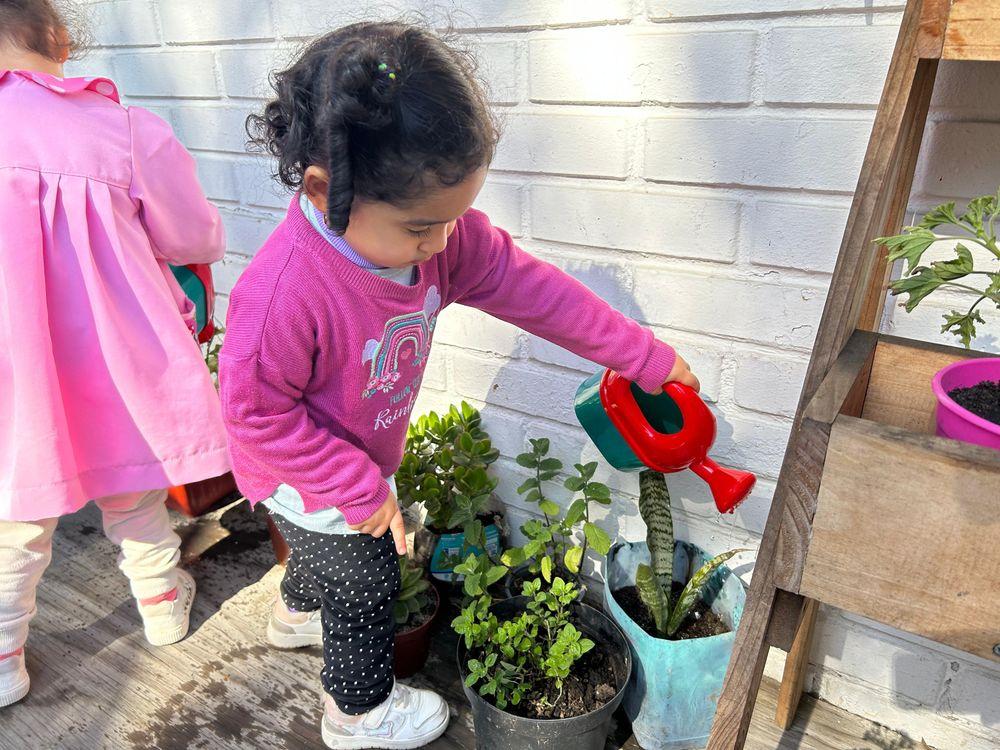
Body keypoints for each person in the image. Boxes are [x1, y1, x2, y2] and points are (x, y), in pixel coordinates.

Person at [221, 20, 699, 749]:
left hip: (350, 460)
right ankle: (358, 716)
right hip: (302, 468)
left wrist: (643, 357)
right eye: (421, 228)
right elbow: (256, 418)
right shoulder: (284, 295)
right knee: (366, 580)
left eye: (456, 217)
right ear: (324, 190)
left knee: (322, 559)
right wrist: (355, 484)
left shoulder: (441, 239)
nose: (444, 245)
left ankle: (293, 614)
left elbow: (537, 293)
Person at [0, 0, 229, 709]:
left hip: (18, 368)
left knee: (17, 509)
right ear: (62, 38)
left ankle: (4, 658)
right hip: (117, 360)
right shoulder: (126, 133)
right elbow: (195, 239)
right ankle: (162, 607)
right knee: (132, 481)